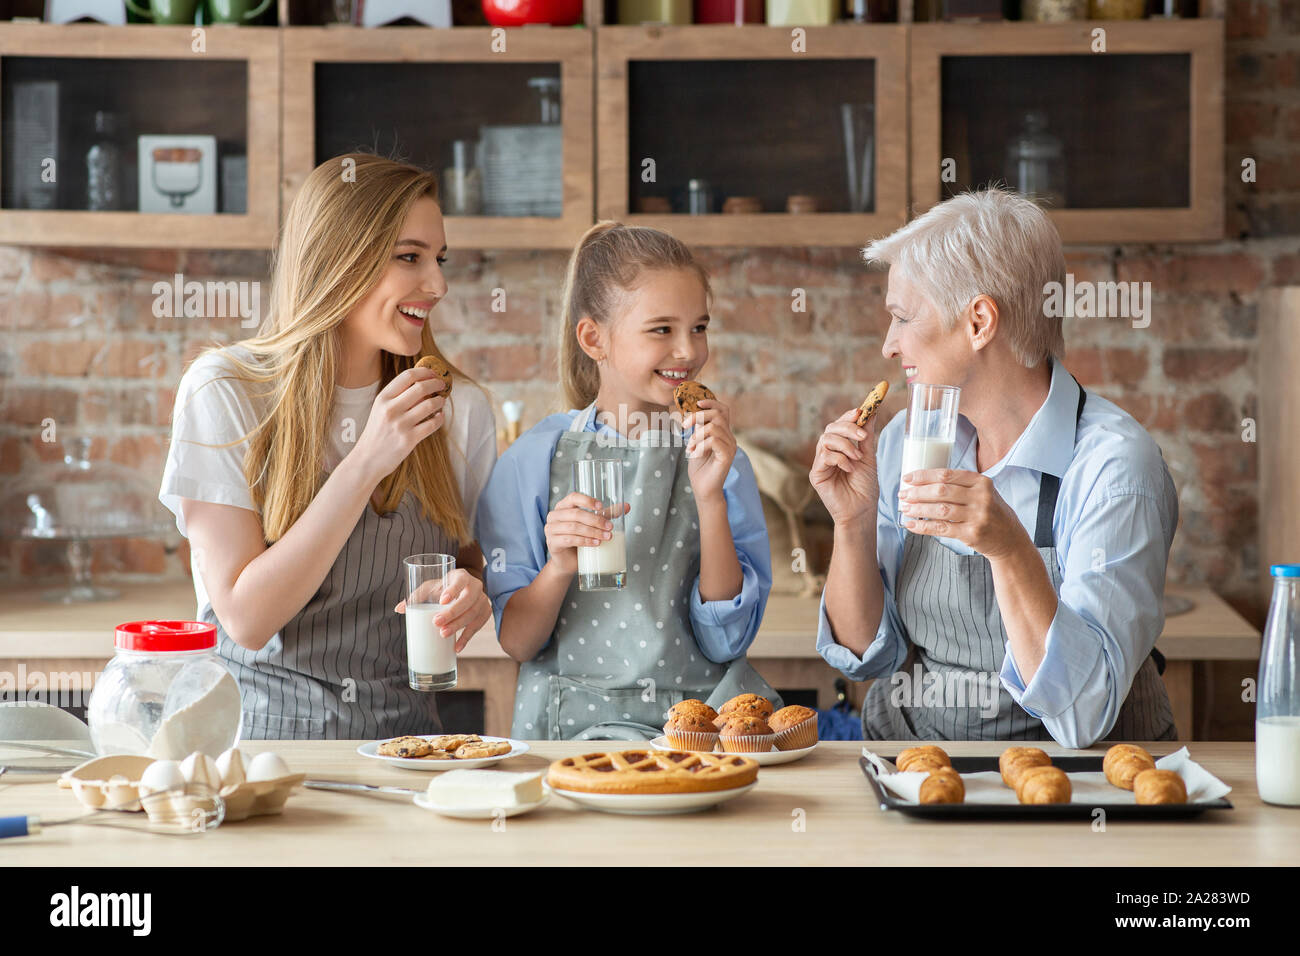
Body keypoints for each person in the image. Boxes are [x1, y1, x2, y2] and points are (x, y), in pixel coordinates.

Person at [810, 187, 1178, 748]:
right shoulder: (906, 440)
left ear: (979, 321)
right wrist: (852, 523)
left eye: (903, 318)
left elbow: (1082, 718)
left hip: (1079, 790)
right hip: (917, 765)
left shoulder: (1114, 468)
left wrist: (1009, 548)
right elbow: (865, 655)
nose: (889, 345)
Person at [158, 153, 496, 740]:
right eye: (409, 257)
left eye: (439, 260)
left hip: (406, 748)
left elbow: (469, 565)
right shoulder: (225, 390)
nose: (437, 285)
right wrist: (368, 458)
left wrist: (474, 591)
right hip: (256, 751)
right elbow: (247, 617)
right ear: (340, 261)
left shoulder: (457, 408)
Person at [475, 221, 778, 740]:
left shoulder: (724, 462)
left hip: (695, 733)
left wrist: (709, 500)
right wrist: (558, 566)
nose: (688, 350)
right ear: (595, 338)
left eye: (699, 327)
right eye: (662, 329)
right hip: (569, 732)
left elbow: (725, 642)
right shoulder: (530, 461)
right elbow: (519, 643)